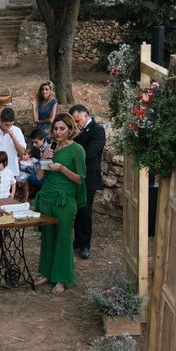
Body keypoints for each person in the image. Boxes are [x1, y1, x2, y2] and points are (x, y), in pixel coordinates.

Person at [34, 113, 86, 295]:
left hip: (65, 200)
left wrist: (63, 169)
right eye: (55, 129)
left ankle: (62, 278)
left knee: (63, 239)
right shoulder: (50, 146)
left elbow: (81, 179)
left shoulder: (77, 150)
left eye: (62, 128)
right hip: (47, 198)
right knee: (48, 237)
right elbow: (39, 176)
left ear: (70, 129)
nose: (57, 132)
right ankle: (47, 273)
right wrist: (44, 158)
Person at [69, 104, 105, 260]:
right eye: (74, 122)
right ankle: (77, 240)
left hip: (89, 176)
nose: (76, 124)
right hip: (74, 175)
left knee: (85, 210)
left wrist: (71, 155)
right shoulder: (75, 131)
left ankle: (84, 244)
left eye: (78, 120)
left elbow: (89, 153)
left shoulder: (97, 130)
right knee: (75, 209)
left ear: (87, 115)